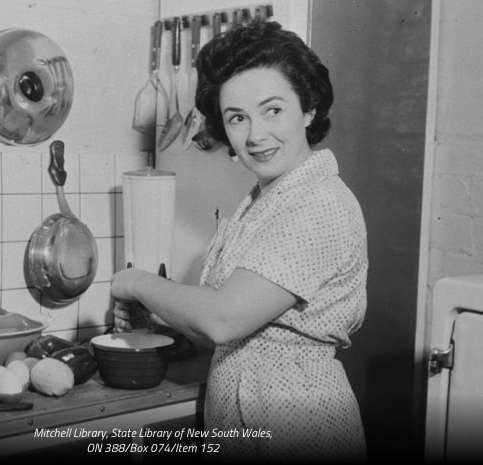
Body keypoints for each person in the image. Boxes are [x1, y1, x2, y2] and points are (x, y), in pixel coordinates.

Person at [111, 18, 368, 463]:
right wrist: (160, 314)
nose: (255, 135)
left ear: (308, 110)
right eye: (237, 118)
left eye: (273, 110)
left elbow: (224, 319)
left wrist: (134, 283)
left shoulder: (318, 203)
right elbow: (240, 316)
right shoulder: (266, 199)